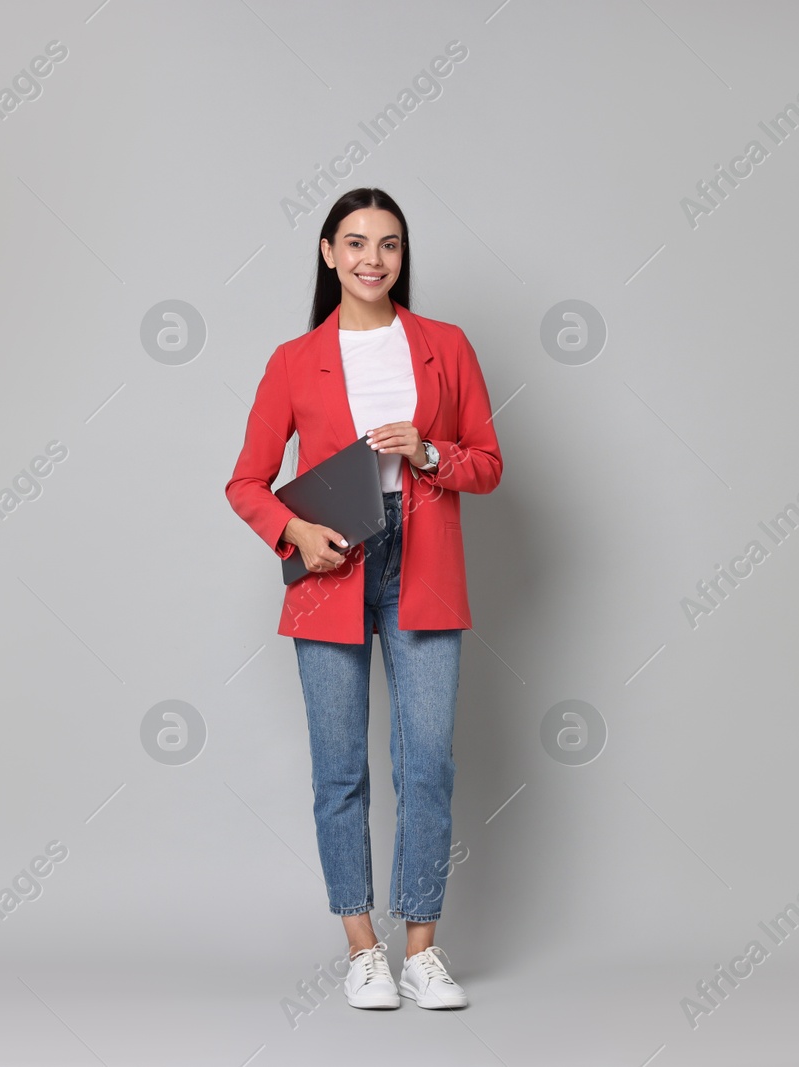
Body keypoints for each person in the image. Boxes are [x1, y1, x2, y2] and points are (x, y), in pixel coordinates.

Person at [225, 187, 503, 1010]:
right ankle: (362, 947)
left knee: (429, 763)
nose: (372, 259)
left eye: (388, 244)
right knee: (338, 768)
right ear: (327, 253)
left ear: (402, 256)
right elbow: (246, 480)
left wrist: (429, 452)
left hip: (424, 566)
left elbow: (487, 463)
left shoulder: (446, 346)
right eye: (355, 243)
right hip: (332, 569)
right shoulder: (291, 360)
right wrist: (295, 535)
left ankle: (421, 945)